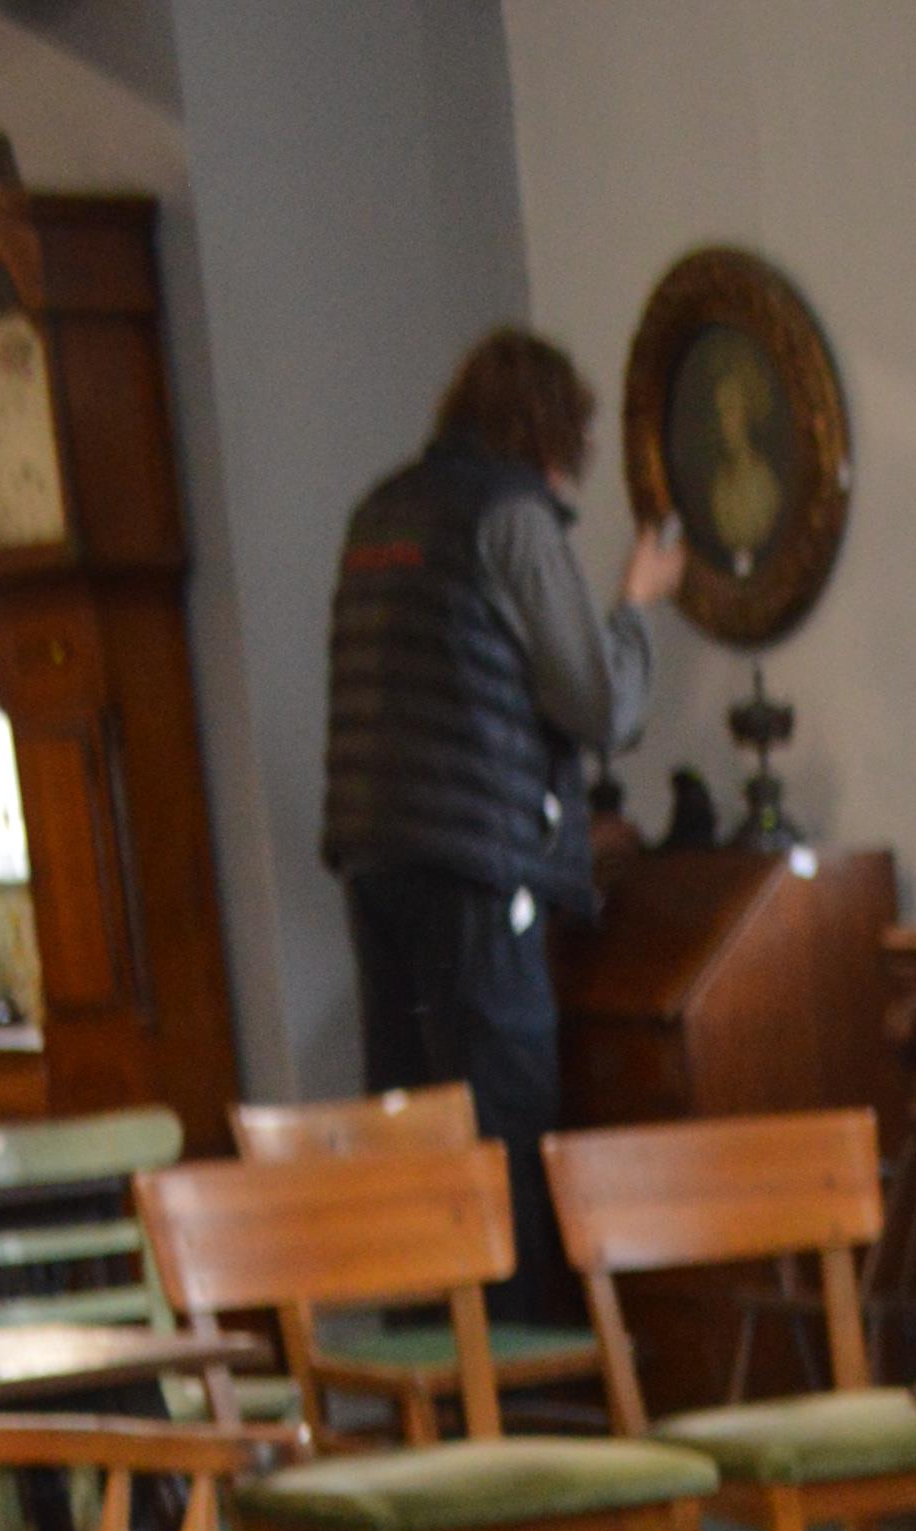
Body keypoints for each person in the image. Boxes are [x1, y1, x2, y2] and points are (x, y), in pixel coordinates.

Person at [319, 330, 683, 1316]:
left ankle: (433, 1392)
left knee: (416, 1143)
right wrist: (637, 605)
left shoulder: (380, 512)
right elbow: (598, 704)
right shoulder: (510, 517)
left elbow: (436, 699)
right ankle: (520, 1412)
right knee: (504, 1138)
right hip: (478, 881)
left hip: (376, 863)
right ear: (549, 433)